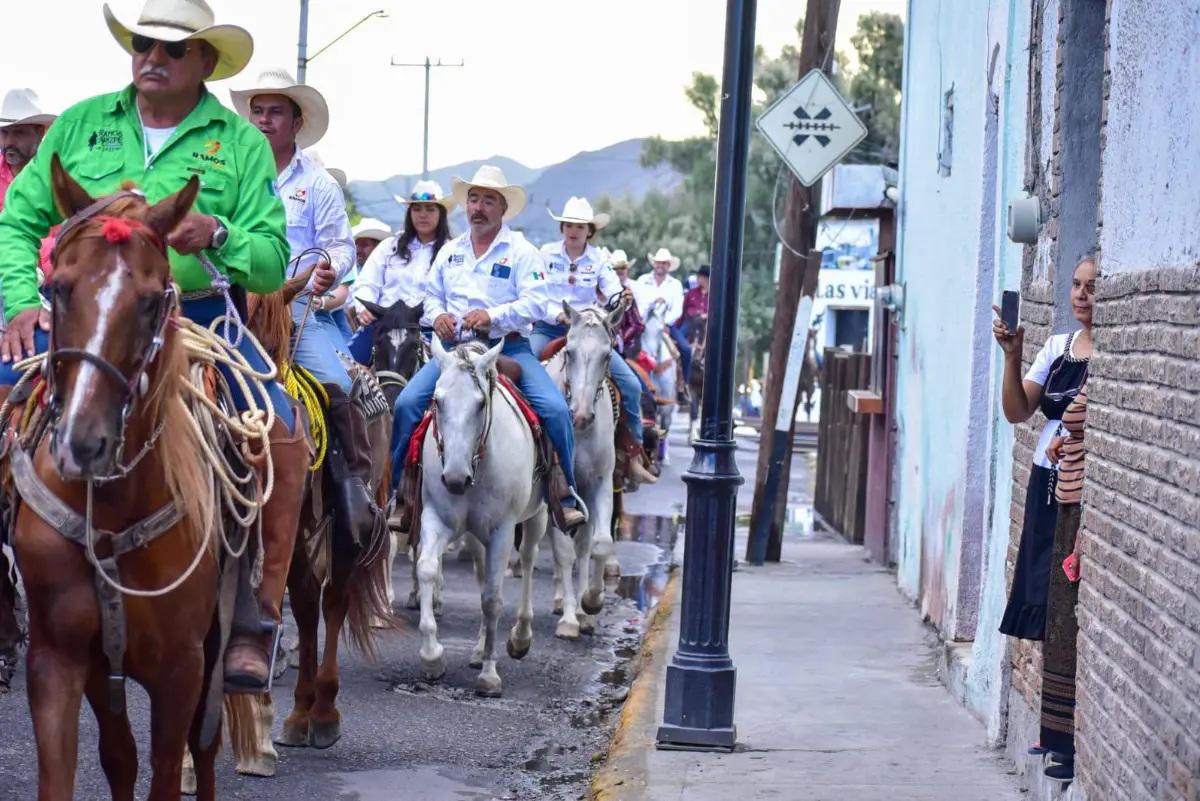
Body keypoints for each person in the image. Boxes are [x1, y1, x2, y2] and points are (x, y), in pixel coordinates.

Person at [0, 0, 305, 690]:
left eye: (173, 48)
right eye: (144, 43)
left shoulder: (240, 141)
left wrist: (218, 233)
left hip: (197, 320)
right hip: (85, 324)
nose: (153, 58)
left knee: (282, 430)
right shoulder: (79, 125)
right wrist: (21, 301)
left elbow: (270, 260)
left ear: (206, 60)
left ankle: (255, 616)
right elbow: (17, 223)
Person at [231, 67, 382, 551]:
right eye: (258, 110)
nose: (264, 119)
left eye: (275, 112)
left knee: (339, 384)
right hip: (231, 306)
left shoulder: (317, 184)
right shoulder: (231, 173)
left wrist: (327, 272)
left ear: (297, 122)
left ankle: (354, 491)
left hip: (294, 309)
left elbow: (340, 247)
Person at [390, 165, 586, 532]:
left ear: (503, 208)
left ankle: (564, 493)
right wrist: (439, 315)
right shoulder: (450, 251)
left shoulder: (522, 251)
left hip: (508, 347)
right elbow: (430, 296)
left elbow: (537, 303)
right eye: (474, 199)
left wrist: (492, 316)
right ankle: (399, 491)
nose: (478, 208)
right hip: (454, 351)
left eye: (488, 201)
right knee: (406, 404)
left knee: (556, 410)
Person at [993, 256, 1094, 646]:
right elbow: (1017, 411)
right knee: (1040, 571)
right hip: (1045, 475)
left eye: (1092, 288)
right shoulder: (1057, 347)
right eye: (1076, 285)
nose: (1081, 295)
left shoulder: (1110, 352)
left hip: (1080, 479)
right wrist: (1011, 356)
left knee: (1067, 575)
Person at [530, 197, 656, 486]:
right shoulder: (545, 254)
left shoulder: (599, 260)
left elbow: (612, 290)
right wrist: (558, 315)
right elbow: (535, 293)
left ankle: (633, 454)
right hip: (549, 328)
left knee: (631, 385)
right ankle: (527, 447)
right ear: (562, 228)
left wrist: (620, 298)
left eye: (580, 226)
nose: (573, 231)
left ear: (590, 231)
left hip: (588, 332)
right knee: (525, 372)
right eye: (569, 225)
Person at [347, 181, 454, 365]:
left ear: (441, 214)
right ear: (409, 213)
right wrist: (365, 308)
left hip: (428, 332)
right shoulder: (389, 246)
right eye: (416, 209)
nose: (422, 215)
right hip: (382, 327)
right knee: (345, 372)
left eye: (430, 209)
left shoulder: (451, 252)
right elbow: (367, 283)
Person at [1039, 386, 1087, 783]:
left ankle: (1070, 745)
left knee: (1069, 625)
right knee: (1058, 625)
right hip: (1068, 497)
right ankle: (1056, 738)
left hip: (1079, 507)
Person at [0, 89, 57, 326]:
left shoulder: (59, 177)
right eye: (4, 133)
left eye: (19, 133)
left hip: (57, 286)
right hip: (7, 282)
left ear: (40, 133)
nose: (8, 142)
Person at [636, 247, 692, 381]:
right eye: (658, 262)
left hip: (666, 325)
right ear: (654, 263)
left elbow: (677, 309)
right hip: (643, 323)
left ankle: (683, 383)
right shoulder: (642, 281)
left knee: (686, 349)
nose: (660, 265)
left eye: (664, 263)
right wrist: (651, 304)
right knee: (626, 348)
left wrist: (666, 322)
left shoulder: (675, 285)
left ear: (668, 266)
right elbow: (637, 303)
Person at [681, 263, 710, 339]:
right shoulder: (691, 293)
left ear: (706, 278)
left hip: (707, 324)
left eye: (700, 276)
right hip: (690, 322)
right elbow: (684, 310)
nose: (697, 278)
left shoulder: (713, 295)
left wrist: (706, 315)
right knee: (680, 336)